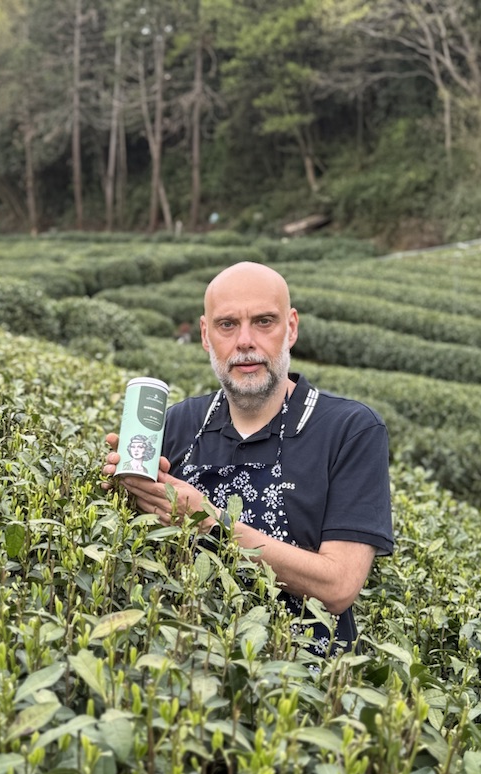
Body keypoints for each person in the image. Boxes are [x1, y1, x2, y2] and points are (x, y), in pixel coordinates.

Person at [103, 261, 393, 655]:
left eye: (263, 322)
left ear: (291, 328)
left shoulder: (350, 429)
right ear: (206, 335)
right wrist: (127, 492)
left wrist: (209, 521)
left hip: (303, 684)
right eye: (227, 325)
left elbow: (338, 586)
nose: (244, 342)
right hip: (186, 665)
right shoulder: (178, 423)